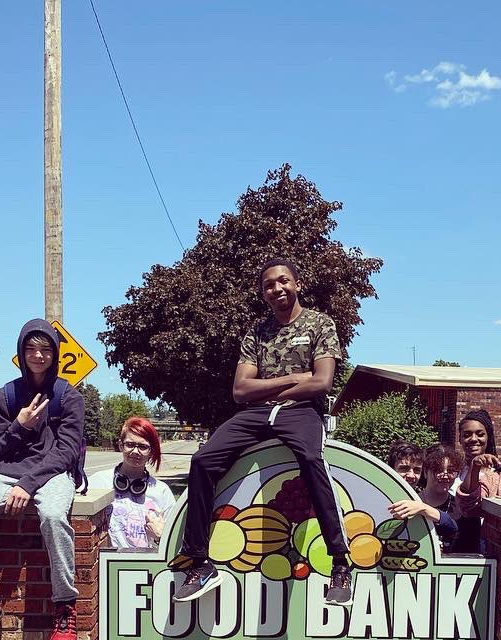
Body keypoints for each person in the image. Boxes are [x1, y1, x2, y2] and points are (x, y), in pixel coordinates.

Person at [173, 257, 353, 606]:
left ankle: (340, 562)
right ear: (263, 292)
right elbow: (240, 390)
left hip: (302, 412)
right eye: (269, 285)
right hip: (256, 414)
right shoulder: (257, 332)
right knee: (202, 460)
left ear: (297, 284)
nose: (277, 288)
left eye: (283, 281)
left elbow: (322, 382)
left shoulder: (320, 323)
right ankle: (199, 561)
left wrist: (268, 388)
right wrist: (293, 378)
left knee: (311, 458)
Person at [0, 318, 86, 640]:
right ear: (21, 352)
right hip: (8, 473)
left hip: (53, 474)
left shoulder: (68, 397)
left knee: (54, 517)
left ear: (54, 354)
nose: (38, 356)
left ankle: (64, 605)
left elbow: (67, 453)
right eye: (31, 349)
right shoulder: (6, 395)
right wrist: (20, 425)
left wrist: (28, 484)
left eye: (45, 350)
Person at [108, 416, 175, 552]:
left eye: (143, 447)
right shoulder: (97, 482)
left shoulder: (162, 491)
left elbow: (175, 541)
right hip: (106, 562)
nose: (135, 451)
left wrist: (161, 536)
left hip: (145, 562)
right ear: (121, 445)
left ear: (151, 451)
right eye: (130, 444)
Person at [388, 443, 463, 554]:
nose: (411, 475)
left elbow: (454, 528)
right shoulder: (385, 499)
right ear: (426, 472)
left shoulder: (462, 508)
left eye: (451, 470)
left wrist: (423, 509)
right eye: (438, 470)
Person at [450, 410, 497, 553]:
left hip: (488, 548)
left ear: (488, 437)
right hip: (455, 546)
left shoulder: (499, 475)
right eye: (467, 435)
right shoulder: (452, 472)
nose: (473, 439)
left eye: (480, 434)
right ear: (459, 439)